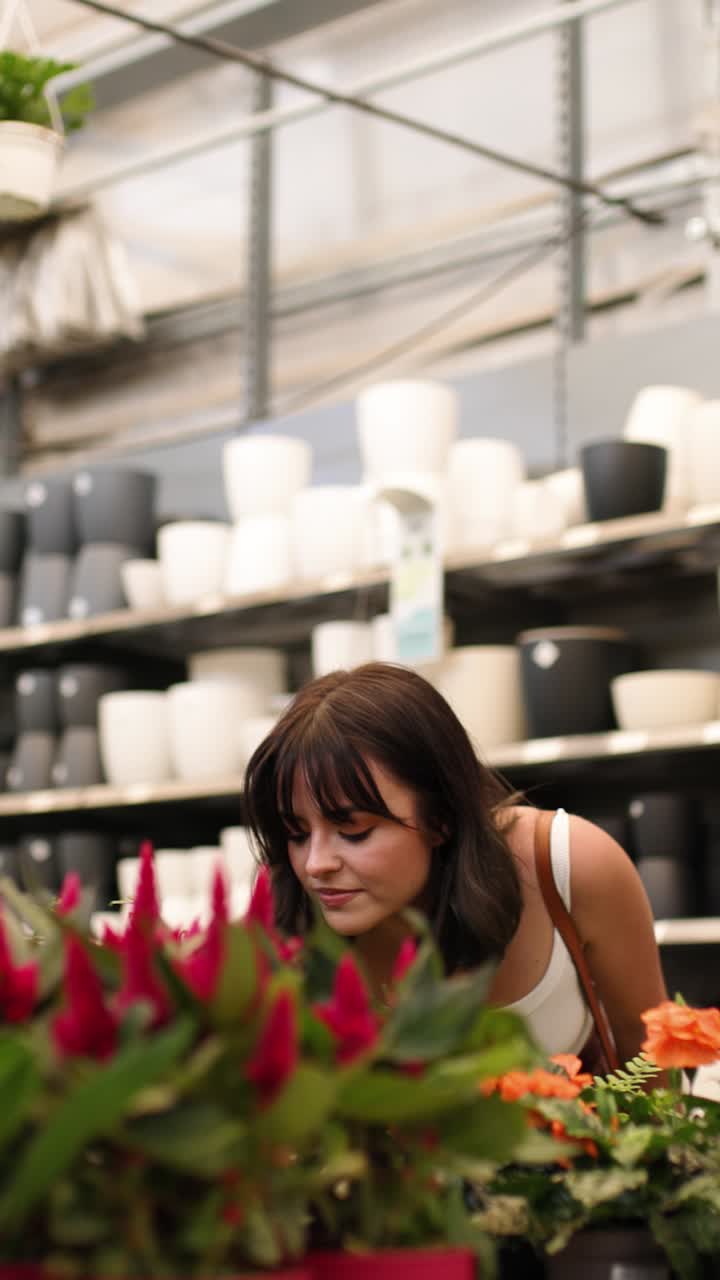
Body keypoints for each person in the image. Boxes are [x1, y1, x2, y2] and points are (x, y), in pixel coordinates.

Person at [243, 661, 667, 1067]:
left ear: (441, 817)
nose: (315, 864)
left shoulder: (567, 862)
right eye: (296, 833)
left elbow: (652, 1064)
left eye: (353, 830)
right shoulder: (285, 904)